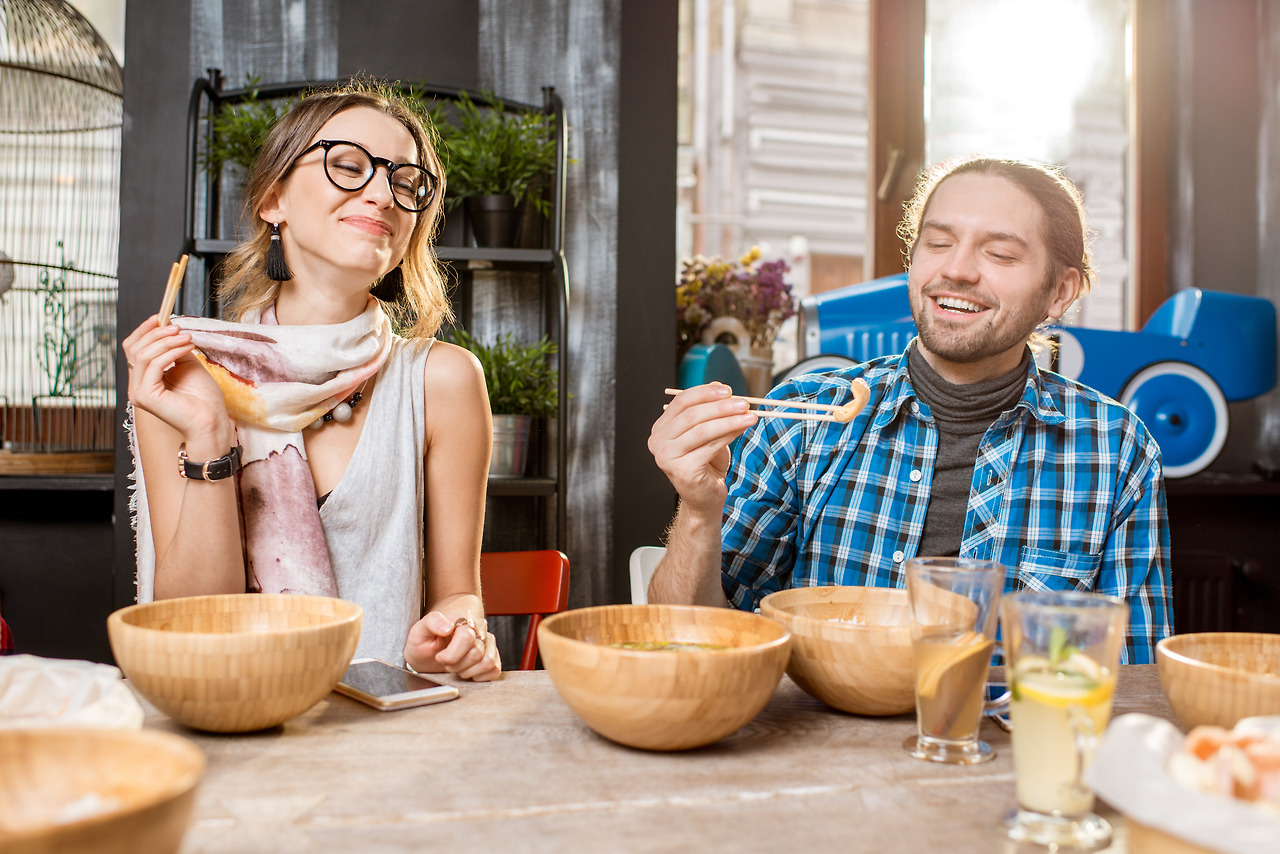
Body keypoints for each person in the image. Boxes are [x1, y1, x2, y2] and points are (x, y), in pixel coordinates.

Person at [649, 156, 1172, 665]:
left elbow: (1132, 681)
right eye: (938, 243)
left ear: (1060, 291)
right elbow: (691, 639)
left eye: (1000, 254)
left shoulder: (1116, 449)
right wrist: (698, 511)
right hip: (816, 748)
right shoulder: (804, 417)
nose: (956, 270)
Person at [123, 80, 501, 681]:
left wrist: (458, 634)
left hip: (378, 737)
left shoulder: (442, 381)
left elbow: (459, 595)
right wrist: (210, 436)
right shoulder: (184, 378)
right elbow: (190, 619)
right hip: (226, 723)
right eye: (349, 165)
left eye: (407, 183)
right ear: (274, 200)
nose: (383, 193)